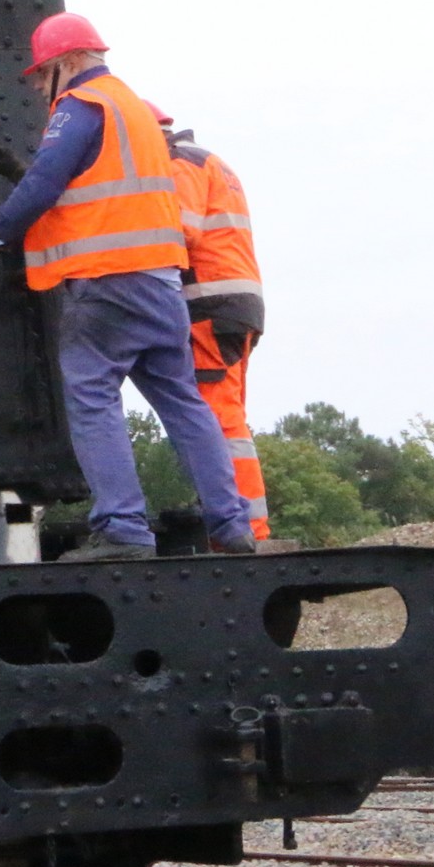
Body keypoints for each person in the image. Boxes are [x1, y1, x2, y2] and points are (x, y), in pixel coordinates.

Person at [0, 11, 255, 562]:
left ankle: (123, 528)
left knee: (92, 393)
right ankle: (231, 524)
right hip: (160, 279)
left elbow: (49, 182)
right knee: (182, 400)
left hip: (107, 281)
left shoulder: (81, 105)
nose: (36, 86)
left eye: (39, 74)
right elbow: (101, 185)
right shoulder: (135, 111)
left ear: (66, 62)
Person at [158, 107, 269, 541]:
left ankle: (246, 526)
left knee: (219, 418)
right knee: (229, 415)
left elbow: (178, 233)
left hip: (210, 303)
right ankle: (238, 518)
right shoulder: (212, 162)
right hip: (234, 303)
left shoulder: (179, 163)